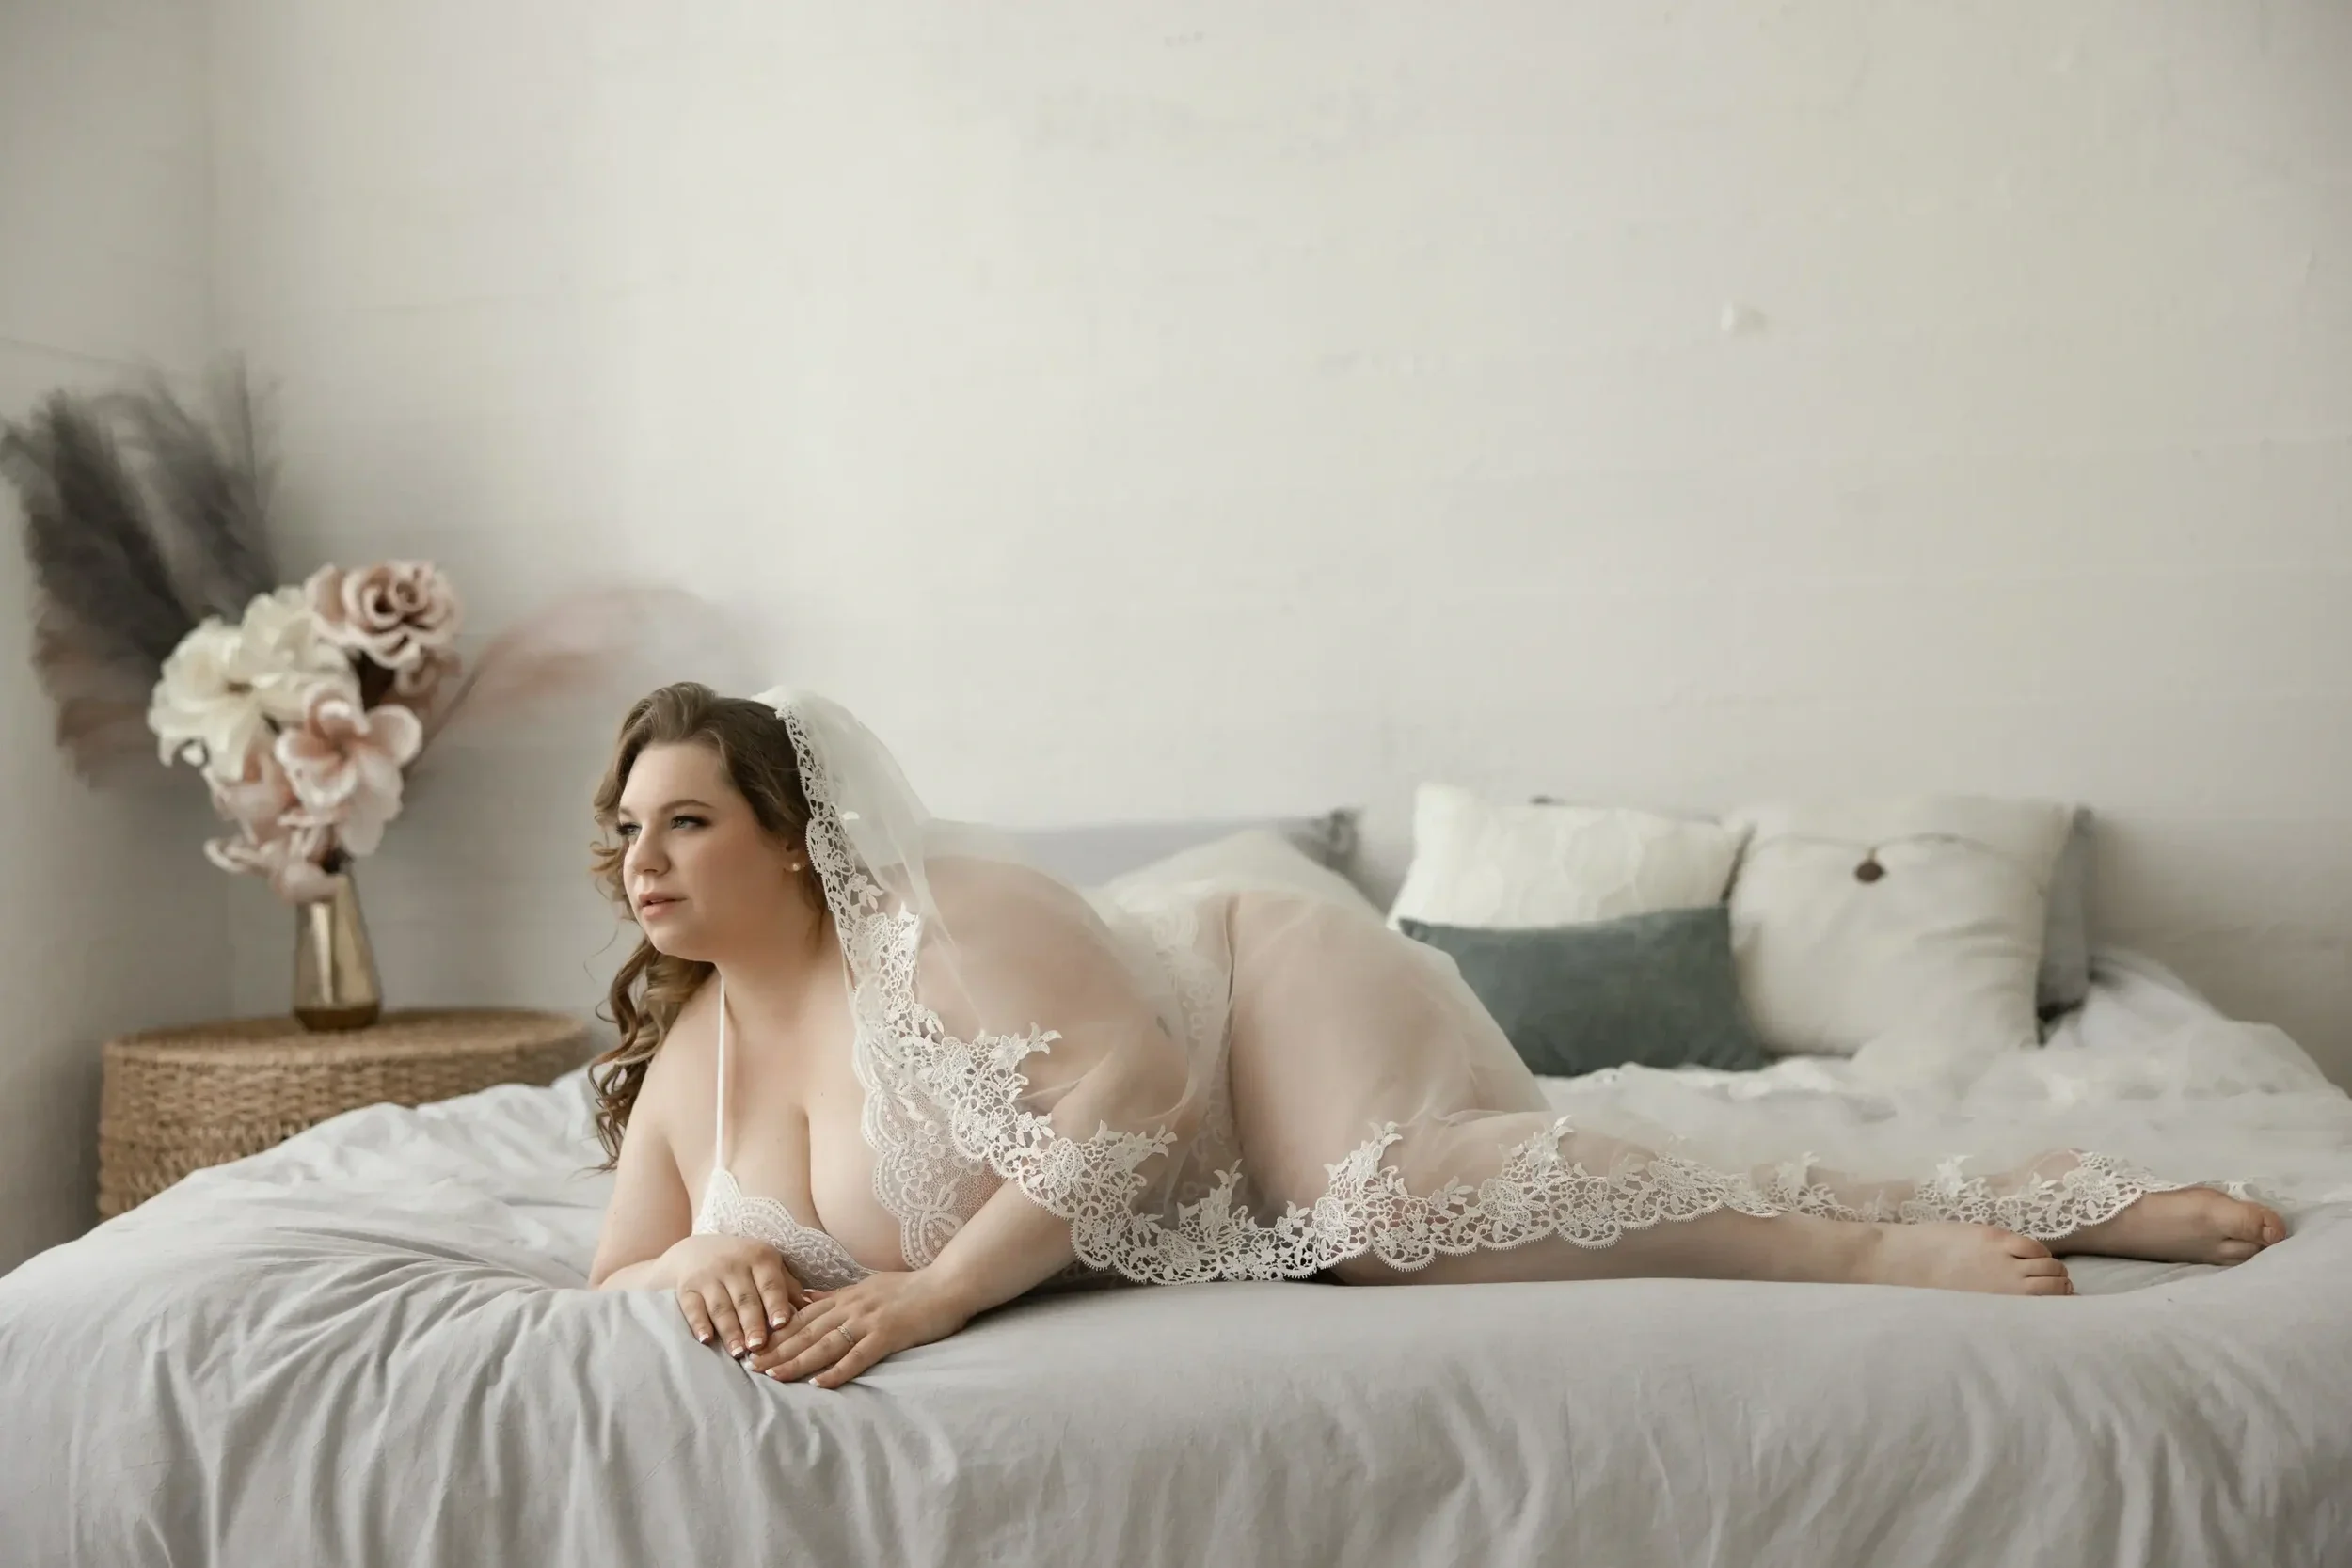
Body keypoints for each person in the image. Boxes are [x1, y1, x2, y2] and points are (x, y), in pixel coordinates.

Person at [585, 683, 2286, 1389]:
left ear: (791, 837)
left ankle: (1896, 1235)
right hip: (1204, 1126)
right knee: (1402, 1213)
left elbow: (1146, 1088)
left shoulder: (952, 918)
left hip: (1255, 1001)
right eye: (627, 829)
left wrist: (936, 1294)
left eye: (685, 822)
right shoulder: (689, 1062)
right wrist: (702, 1265)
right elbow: (612, 1278)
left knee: (1396, 1209)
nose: (640, 859)